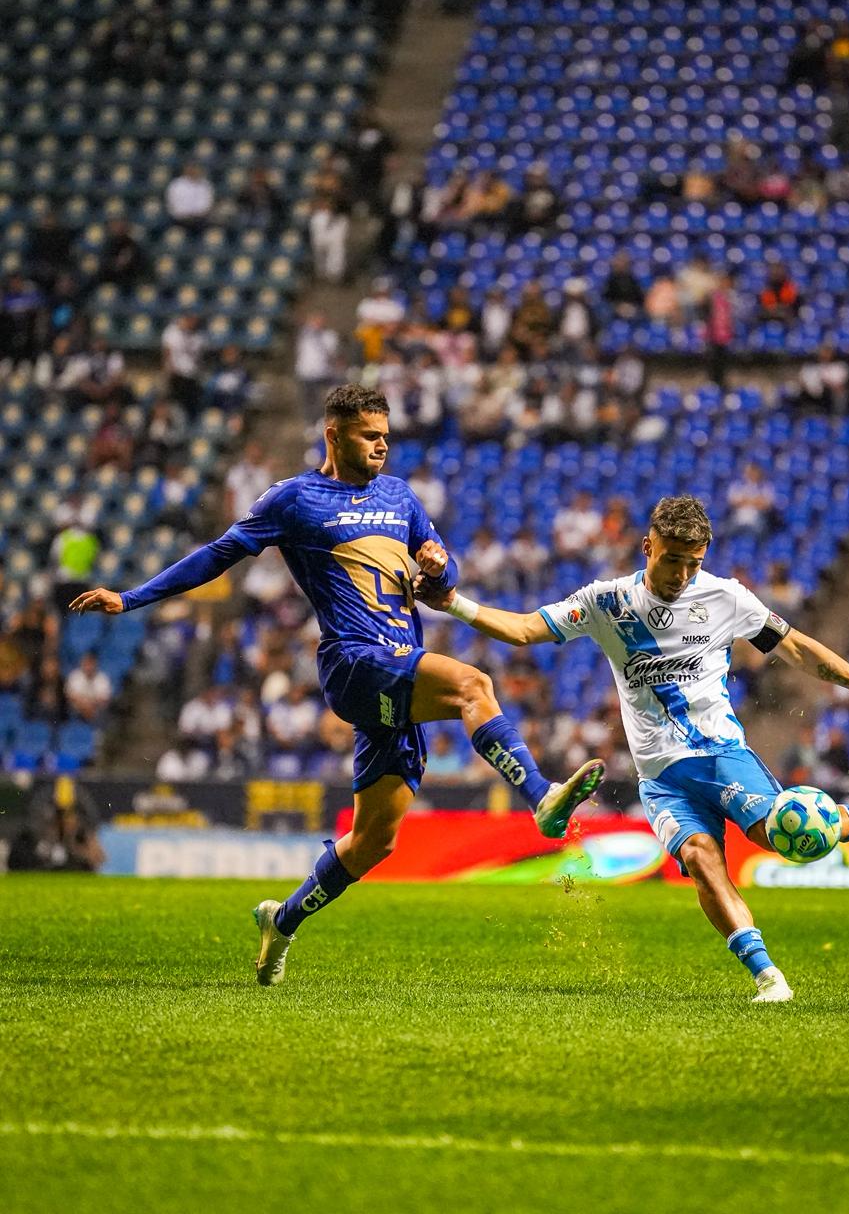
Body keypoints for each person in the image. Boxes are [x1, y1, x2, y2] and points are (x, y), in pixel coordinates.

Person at [69, 384, 604, 984]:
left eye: (385, 436)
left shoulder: (400, 496)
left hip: (398, 666)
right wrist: (132, 597)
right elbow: (219, 555)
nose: (381, 446)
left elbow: (443, 571)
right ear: (334, 433)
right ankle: (541, 797)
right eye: (368, 435)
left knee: (374, 841)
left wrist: (436, 562)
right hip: (353, 660)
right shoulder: (295, 499)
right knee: (472, 684)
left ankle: (283, 921)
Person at [416, 494, 849, 1003]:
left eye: (694, 563)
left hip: (720, 755)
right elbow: (527, 629)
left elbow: (797, 647)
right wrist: (454, 604)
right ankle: (768, 977)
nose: (682, 574)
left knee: (786, 839)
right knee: (701, 859)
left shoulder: (726, 598)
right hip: (659, 779)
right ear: (647, 547)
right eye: (673, 560)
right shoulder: (606, 601)